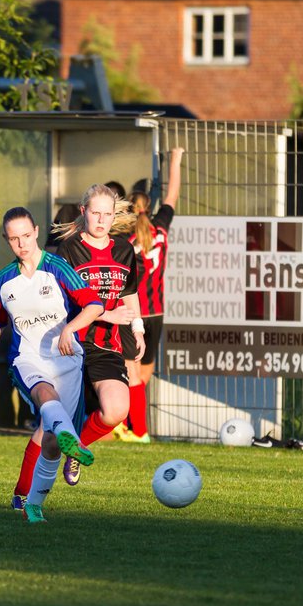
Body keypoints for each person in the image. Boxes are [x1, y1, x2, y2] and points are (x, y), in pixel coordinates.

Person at [0, 207, 105, 523]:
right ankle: (73, 441)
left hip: (67, 360)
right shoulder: (4, 280)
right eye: (14, 239)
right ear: (6, 240)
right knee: (45, 396)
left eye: (26, 236)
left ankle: (33, 504)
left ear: (37, 231)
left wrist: (70, 329)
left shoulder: (57, 268)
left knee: (51, 442)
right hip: (27, 359)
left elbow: (94, 304)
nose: (22, 244)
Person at [40, 183, 144, 490]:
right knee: (48, 431)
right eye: (95, 213)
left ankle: (77, 447)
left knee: (116, 411)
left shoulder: (123, 249)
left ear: (115, 216)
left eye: (107, 214)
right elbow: (65, 302)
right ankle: (26, 493)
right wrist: (106, 314)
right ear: (84, 212)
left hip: (105, 344)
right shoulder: (69, 249)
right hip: (69, 343)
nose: (101, 220)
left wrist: (137, 328)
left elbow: (130, 293)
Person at [116, 146, 183, 443]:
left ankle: (136, 429)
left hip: (136, 313)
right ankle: (136, 427)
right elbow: (171, 196)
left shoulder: (126, 241)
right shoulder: (160, 229)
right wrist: (177, 159)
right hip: (158, 311)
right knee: (145, 373)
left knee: (131, 372)